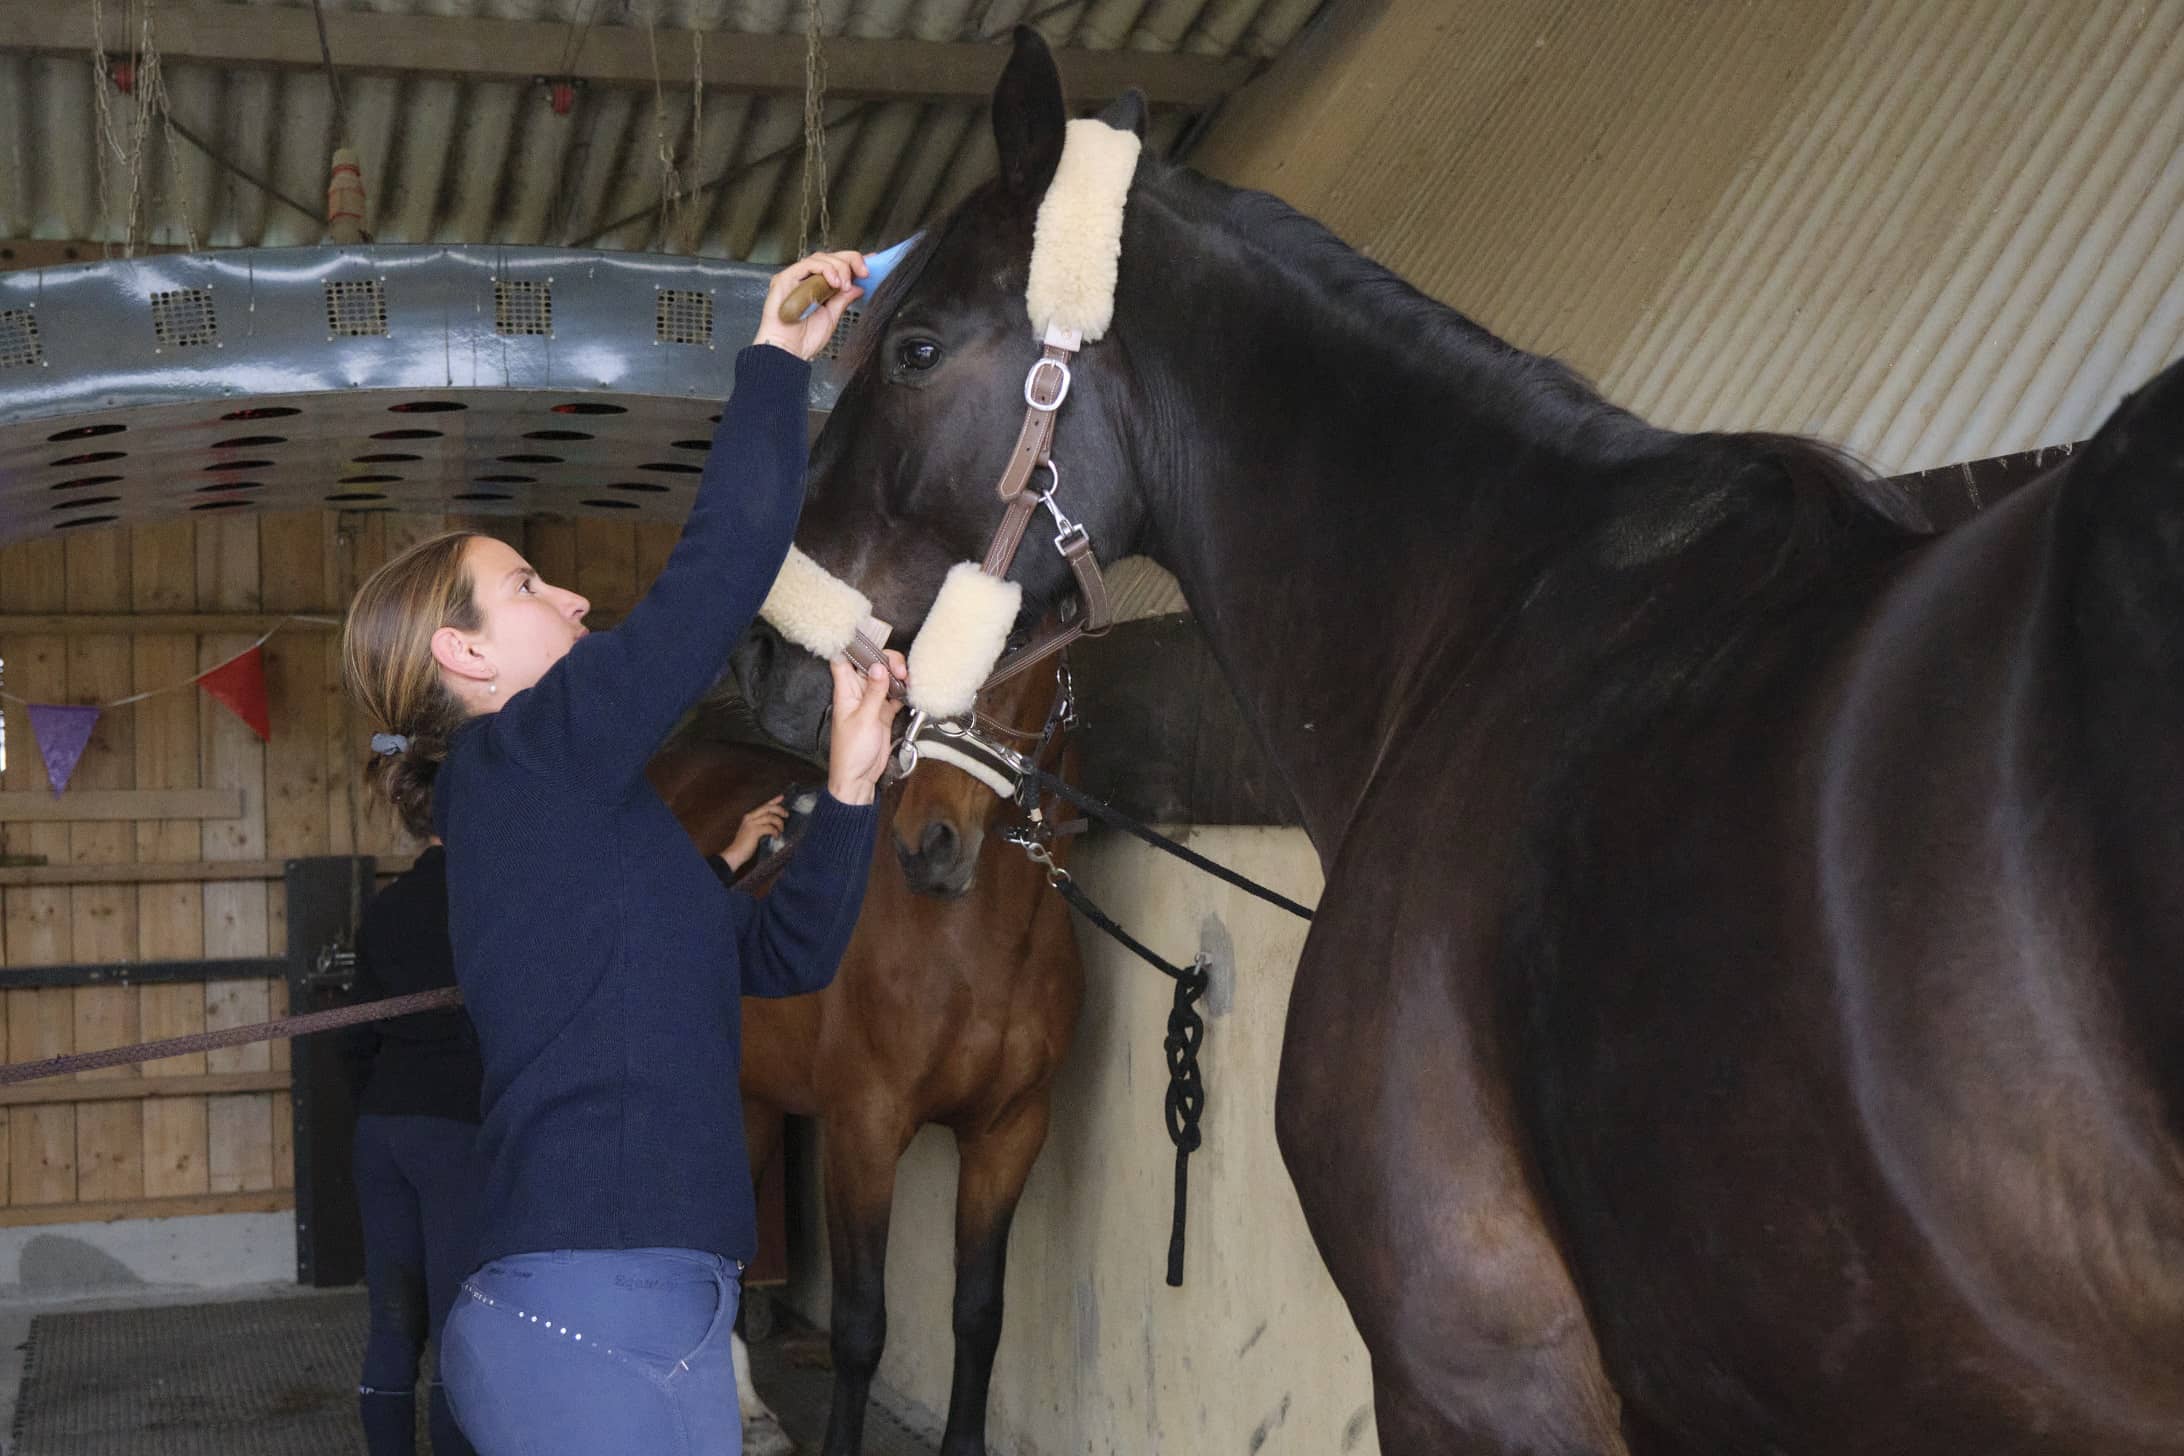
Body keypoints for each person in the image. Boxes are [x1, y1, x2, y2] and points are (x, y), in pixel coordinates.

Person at [339, 250, 902, 1456]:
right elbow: (717, 577)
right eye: (530, 584)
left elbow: (784, 954)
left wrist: (851, 790)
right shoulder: (524, 758)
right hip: (589, 1316)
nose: (577, 601)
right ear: (466, 657)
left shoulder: (584, 808)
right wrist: (778, 362)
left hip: (655, 1305)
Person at [338, 833, 482, 1456]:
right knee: (459, 1322)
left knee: (393, 1320)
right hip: (456, 1131)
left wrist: (381, 1104)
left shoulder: (385, 908)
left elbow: (354, 1037)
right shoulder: (492, 901)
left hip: (383, 1128)